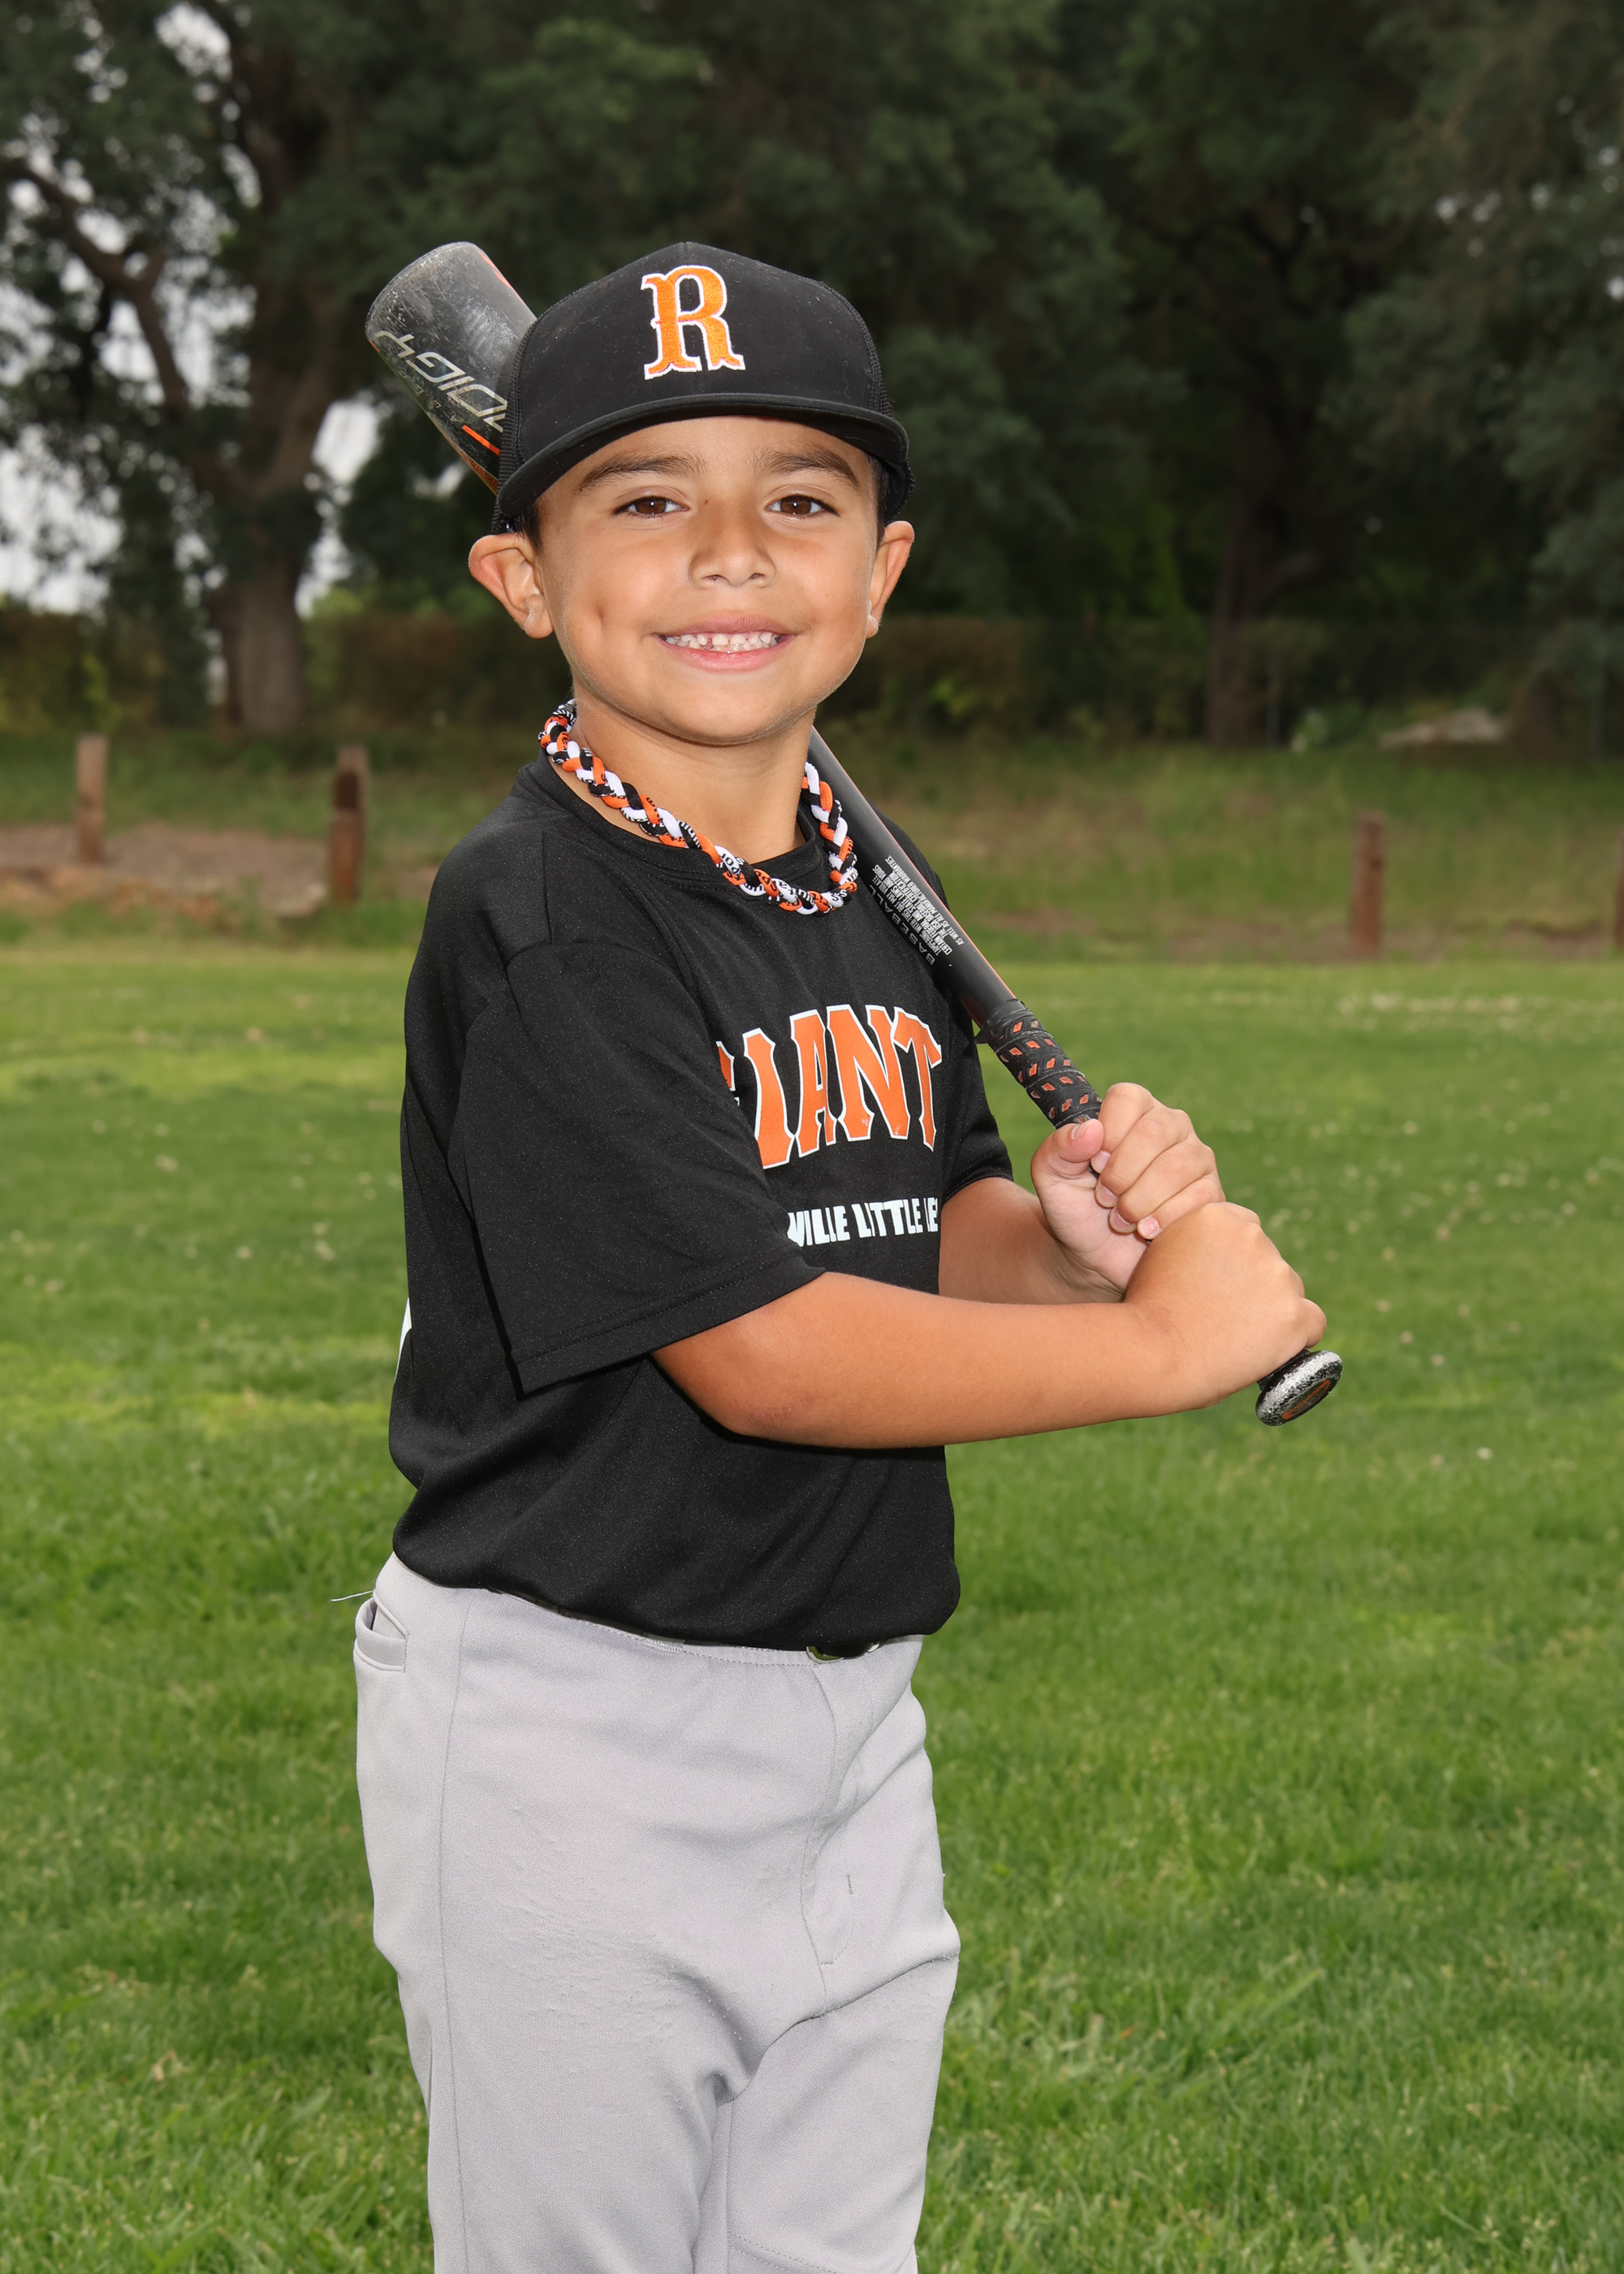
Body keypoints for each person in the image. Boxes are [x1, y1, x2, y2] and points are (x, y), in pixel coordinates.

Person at [353, 241, 1321, 2274]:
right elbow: (766, 1350)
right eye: (645, 499)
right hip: (576, 1727)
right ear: (522, 578)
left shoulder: (857, 882)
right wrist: (1159, 1350)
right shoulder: (543, 918)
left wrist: (1061, 1252)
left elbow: (914, 1220)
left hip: (850, 1711)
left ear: (878, 575)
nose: (728, 551)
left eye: (796, 499)